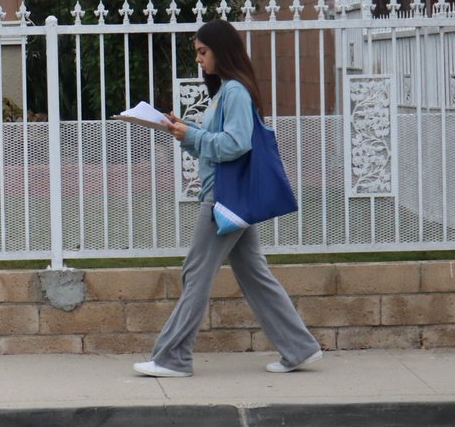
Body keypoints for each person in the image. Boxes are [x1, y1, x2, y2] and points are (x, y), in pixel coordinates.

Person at [133, 19, 322, 378]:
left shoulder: (234, 91)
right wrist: (185, 131)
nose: (199, 59)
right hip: (232, 196)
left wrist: (193, 136)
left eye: (203, 52)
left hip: (224, 198)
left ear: (222, 50)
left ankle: (173, 359)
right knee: (254, 274)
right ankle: (300, 348)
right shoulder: (227, 91)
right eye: (197, 53)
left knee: (196, 272)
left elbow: (236, 144)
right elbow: (216, 143)